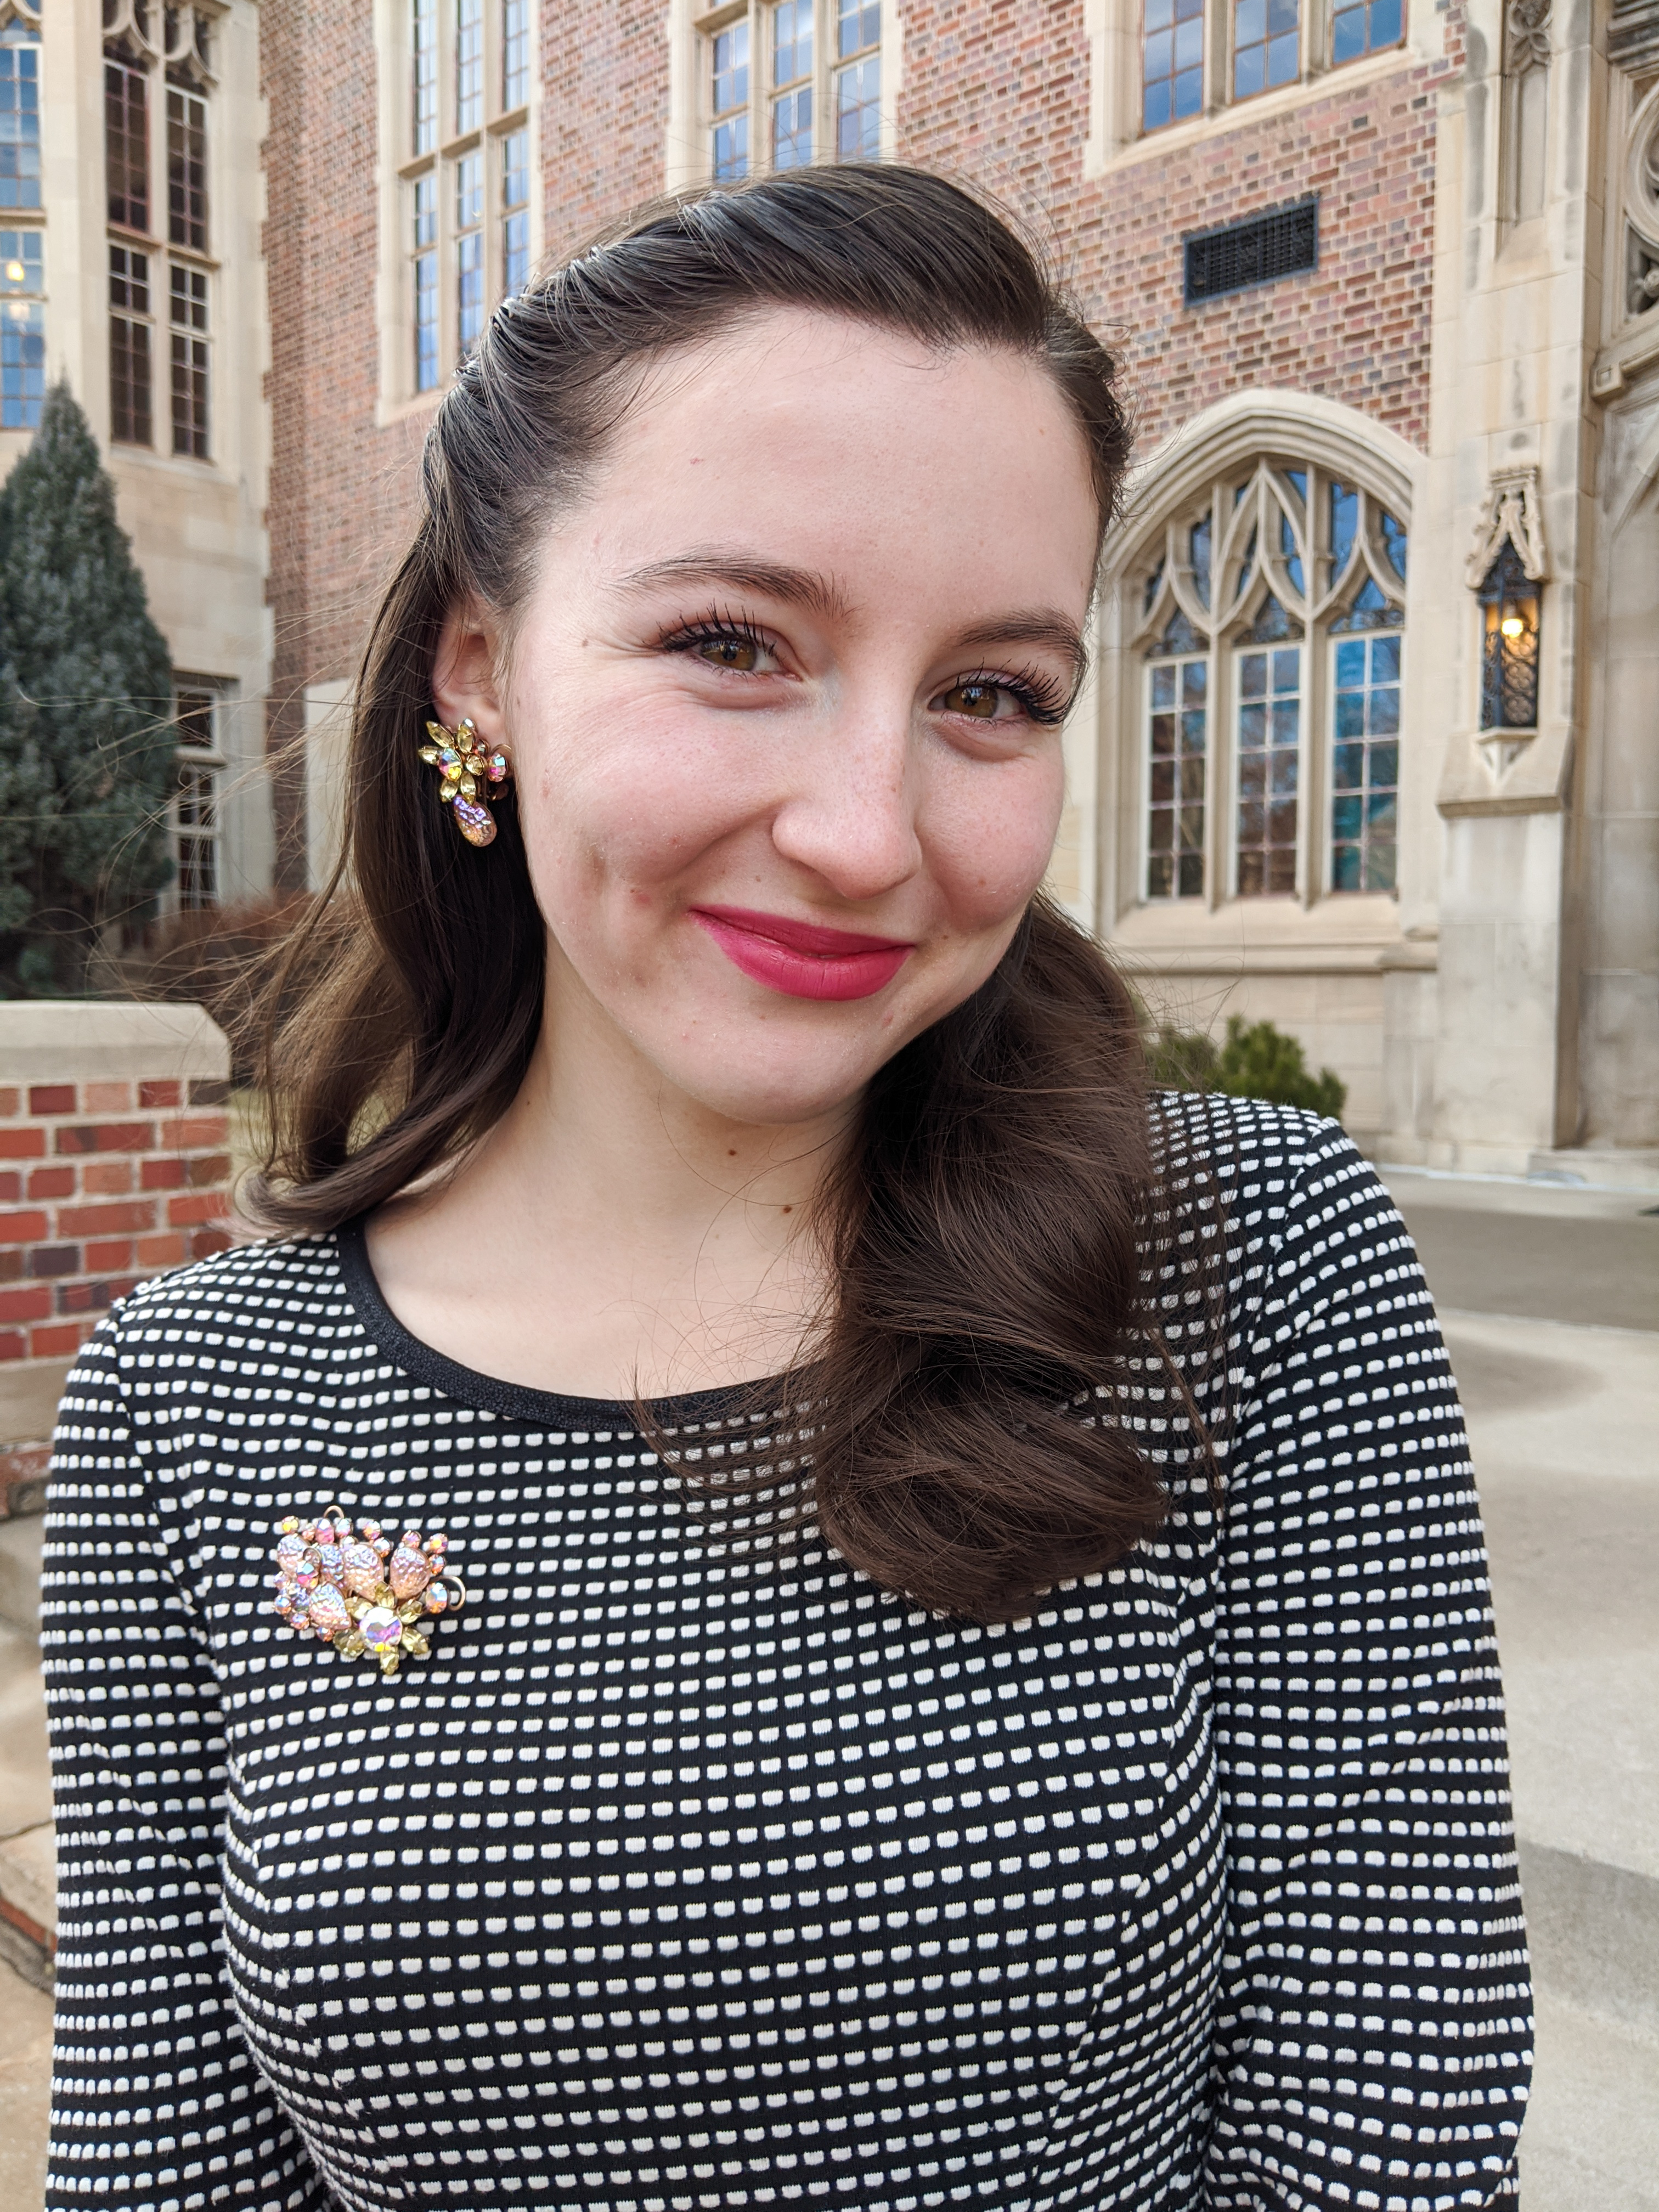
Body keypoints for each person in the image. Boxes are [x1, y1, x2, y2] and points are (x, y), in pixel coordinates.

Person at [42, 167, 1531, 2212]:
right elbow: (172, 2165)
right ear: (480, 668)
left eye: (993, 694)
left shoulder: (1247, 1266)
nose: (864, 831)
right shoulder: (190, 1398)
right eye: (735, 643)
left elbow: (1386, 2120)